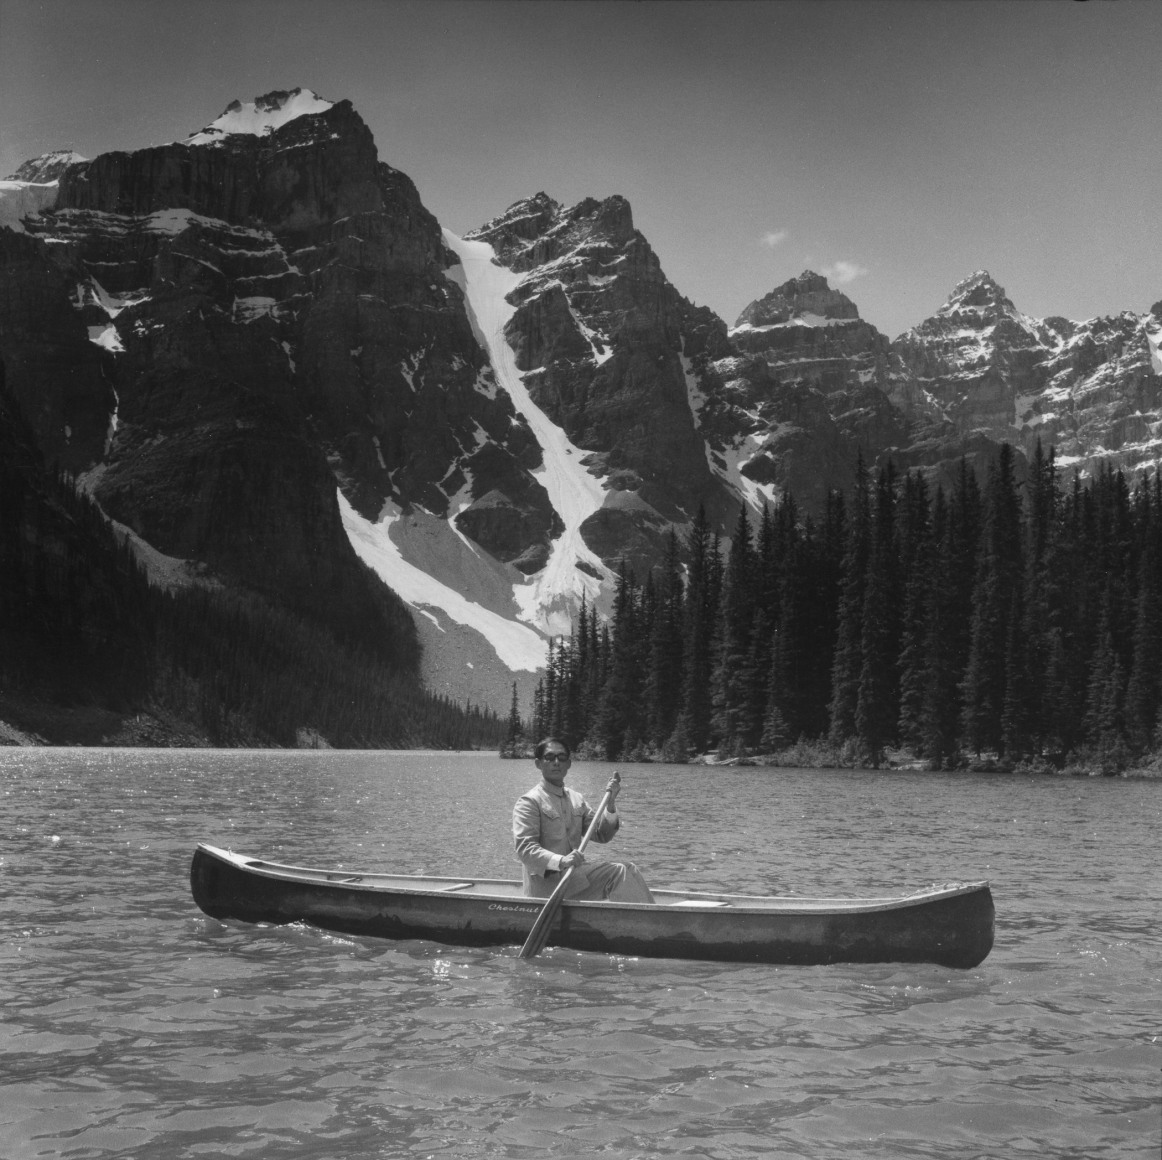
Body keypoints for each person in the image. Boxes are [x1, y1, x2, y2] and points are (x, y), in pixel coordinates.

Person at [512, 737, 654, 903]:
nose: (556, 762)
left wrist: (610, 804)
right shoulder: (529, 802)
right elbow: (525, 850)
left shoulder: (576, 798)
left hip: (574, 879)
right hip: (548, 887)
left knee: (630, 868)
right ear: (538, 764)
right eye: (549, 757)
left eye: (562, 757)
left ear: (569, 763)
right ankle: (649, 924)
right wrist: (561, 861)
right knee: (618, 872)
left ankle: (653, 919)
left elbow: (602, 835)